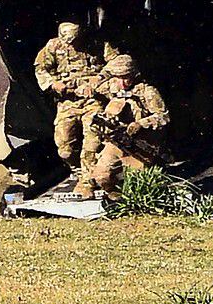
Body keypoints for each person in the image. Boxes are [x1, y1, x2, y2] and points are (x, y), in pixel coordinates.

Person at [81, 54, 171, 198]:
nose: (122, 83)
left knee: (139, 184)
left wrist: (141, 124)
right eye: (118, 77)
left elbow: (163, 117)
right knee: (102, 176)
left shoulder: (147, 92)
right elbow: (89, 88)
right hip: (117, 142)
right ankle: (116, 195)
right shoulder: (110, 87)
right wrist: (89, 88)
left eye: (126, 77)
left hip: (140, 145)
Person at [33, 20, 102, 168]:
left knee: (93, 142)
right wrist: (52, 83)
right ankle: (76, 168)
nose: (72, 44)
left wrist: (99, 79)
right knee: (65, 147)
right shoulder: (53, 46)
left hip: (92, 100)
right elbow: (40, 69)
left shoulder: (95, 44)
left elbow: (116, 62)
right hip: (68, 102)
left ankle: (89, 176)